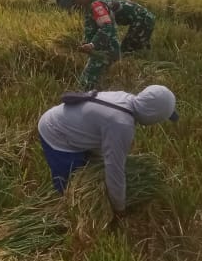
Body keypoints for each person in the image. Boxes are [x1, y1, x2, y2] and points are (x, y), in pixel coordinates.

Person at [37, 85, 179, 216]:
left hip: (66, 121)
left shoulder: (126, 99)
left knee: (88, 166)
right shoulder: (121, 124)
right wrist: (119, 207)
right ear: (152, 116)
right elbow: (114, 169)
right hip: (56, 134)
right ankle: (63, 211)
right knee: (70, 182)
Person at [64, 0, 120, 89]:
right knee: (99, 84)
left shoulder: (96, 6)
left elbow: (106, 27)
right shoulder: (91, 5)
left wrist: (92, 45)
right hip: (101, 51)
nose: (75, 0)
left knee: (85, 85)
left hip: (104, 52)